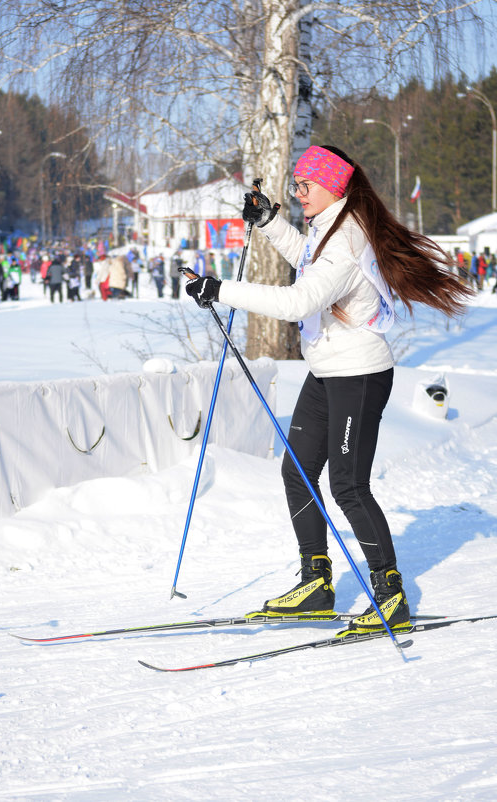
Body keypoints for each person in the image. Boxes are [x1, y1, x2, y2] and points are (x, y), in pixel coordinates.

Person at [185, 144, 473, 636]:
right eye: (295, 187)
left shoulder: (348, 238)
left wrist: (220, 290)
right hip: (327, 371)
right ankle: (316, 585)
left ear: (333, 186)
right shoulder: (329, 226)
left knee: (348, 485)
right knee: (297, 471)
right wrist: (272, 222)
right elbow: (306, 259)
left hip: (358, 376)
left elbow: (302, 299)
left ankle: (390, 594)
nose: (298, 195)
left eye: (305, 186)